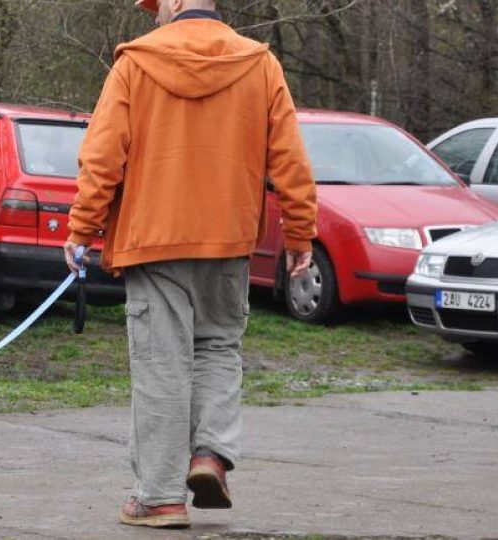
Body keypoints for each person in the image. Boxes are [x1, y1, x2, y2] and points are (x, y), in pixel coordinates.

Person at [63, 0, 318, 529]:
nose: (153, 14)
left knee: (162, 364)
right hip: (227, 239)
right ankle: (210, 456)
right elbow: (290, 159)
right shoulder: (259, 63)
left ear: (176, 3)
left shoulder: (134, 63)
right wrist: (299, 235)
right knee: (219, 346)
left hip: (153, 240)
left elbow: (102, 154)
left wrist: (82, 228)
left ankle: (158, 496)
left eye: (156, 6)